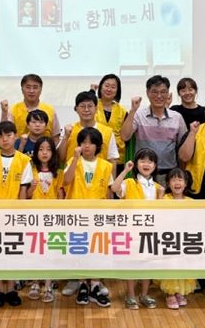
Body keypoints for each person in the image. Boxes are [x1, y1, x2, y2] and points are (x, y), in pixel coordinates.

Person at [0, 121, 32, 307]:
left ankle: (11, 289)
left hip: (13, 214)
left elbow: (23, 190)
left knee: (12, 252)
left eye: (9, 135)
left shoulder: (24, 160)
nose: (5, 139)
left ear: (15, 137)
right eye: (0, 136)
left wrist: (20, 215)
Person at [63, 127, 113, 307]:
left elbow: (109, 192)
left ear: (98, 146)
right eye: (83, 142)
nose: (87, 146)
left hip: (98, 215)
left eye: (91, 143)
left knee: (97, 249)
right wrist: (75, 159)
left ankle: (96, 285)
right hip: (77, 214)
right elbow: (66, 181)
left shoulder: (106, 165)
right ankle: (83, 283)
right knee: (80, 248)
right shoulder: (73, 161)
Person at [111, 149, 164, 310]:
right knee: (132, 264)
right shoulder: (129, 182)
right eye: (142, 161)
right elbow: (114, 188)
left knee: (147, 264)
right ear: (136, 164)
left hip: (150, 231)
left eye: (150, 161)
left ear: (155, 165)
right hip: (132, 231)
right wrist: (125, 171)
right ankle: (130, 295)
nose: (146, 164)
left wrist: (161, 196)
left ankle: (144, 294)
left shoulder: (158, 187)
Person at [121, 75, 187, 185]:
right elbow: (125, 136)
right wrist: (132, 110)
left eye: (163, 92)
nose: (159, 96)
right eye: (155, 92)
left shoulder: (177, 117)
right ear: (147, 93)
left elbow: (183, 149)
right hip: (143, 175)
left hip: (169, 175)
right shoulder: (138, 115)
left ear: (168, 93)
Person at [26, 137, 64, 303]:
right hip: (35, 218)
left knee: (51, 252)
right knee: (35, 250)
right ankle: (35, 282)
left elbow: (61, 196)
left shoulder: (59, 173)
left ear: (53, 153)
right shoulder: (31, 170)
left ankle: (48, 284)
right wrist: (32, 189)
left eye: (48, 149)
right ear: (36, 152)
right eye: (41, 149)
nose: (44, 153)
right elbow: (27, 196)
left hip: (52, 218)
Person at [158, 168, 196, 309]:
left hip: (185, 240)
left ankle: (180, 291)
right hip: (169, 239)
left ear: (186, 183)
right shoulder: (165, 199)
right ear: (168, 183)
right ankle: (170, 294)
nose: (177, 183)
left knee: (184, 265)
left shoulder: (191, 202)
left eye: (180, 180)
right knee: (170, 265)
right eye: (173, 180)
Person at [59, 91, 119, 168]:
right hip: (73, 175)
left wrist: (112, 176)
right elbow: (60, 158)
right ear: (76, 109)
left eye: (90, 106)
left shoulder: (107, 132)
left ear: (96, 108)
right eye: (82, 106)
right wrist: (66, 137)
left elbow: (112, 160)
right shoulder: (68, 130)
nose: (86, 110)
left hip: (99, 175)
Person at [3, 74, 60, 143]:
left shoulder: (50, 110)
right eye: (28, 87)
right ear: (22, 89)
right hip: (19, 149)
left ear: (41, 90)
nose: (31, 91)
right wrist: (4, 112)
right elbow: (5, 133)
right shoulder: (13, 109)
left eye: (35, 87)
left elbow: (55, 137)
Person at [92, 74, 128, 171]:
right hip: (95, 155)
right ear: (101, 87)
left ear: (117, 91)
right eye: (106, 85)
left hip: (117, 157)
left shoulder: (122, 110)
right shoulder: (92, 106)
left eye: (113, 87)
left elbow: (125, 134)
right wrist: (92, 91)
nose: (109, 89)